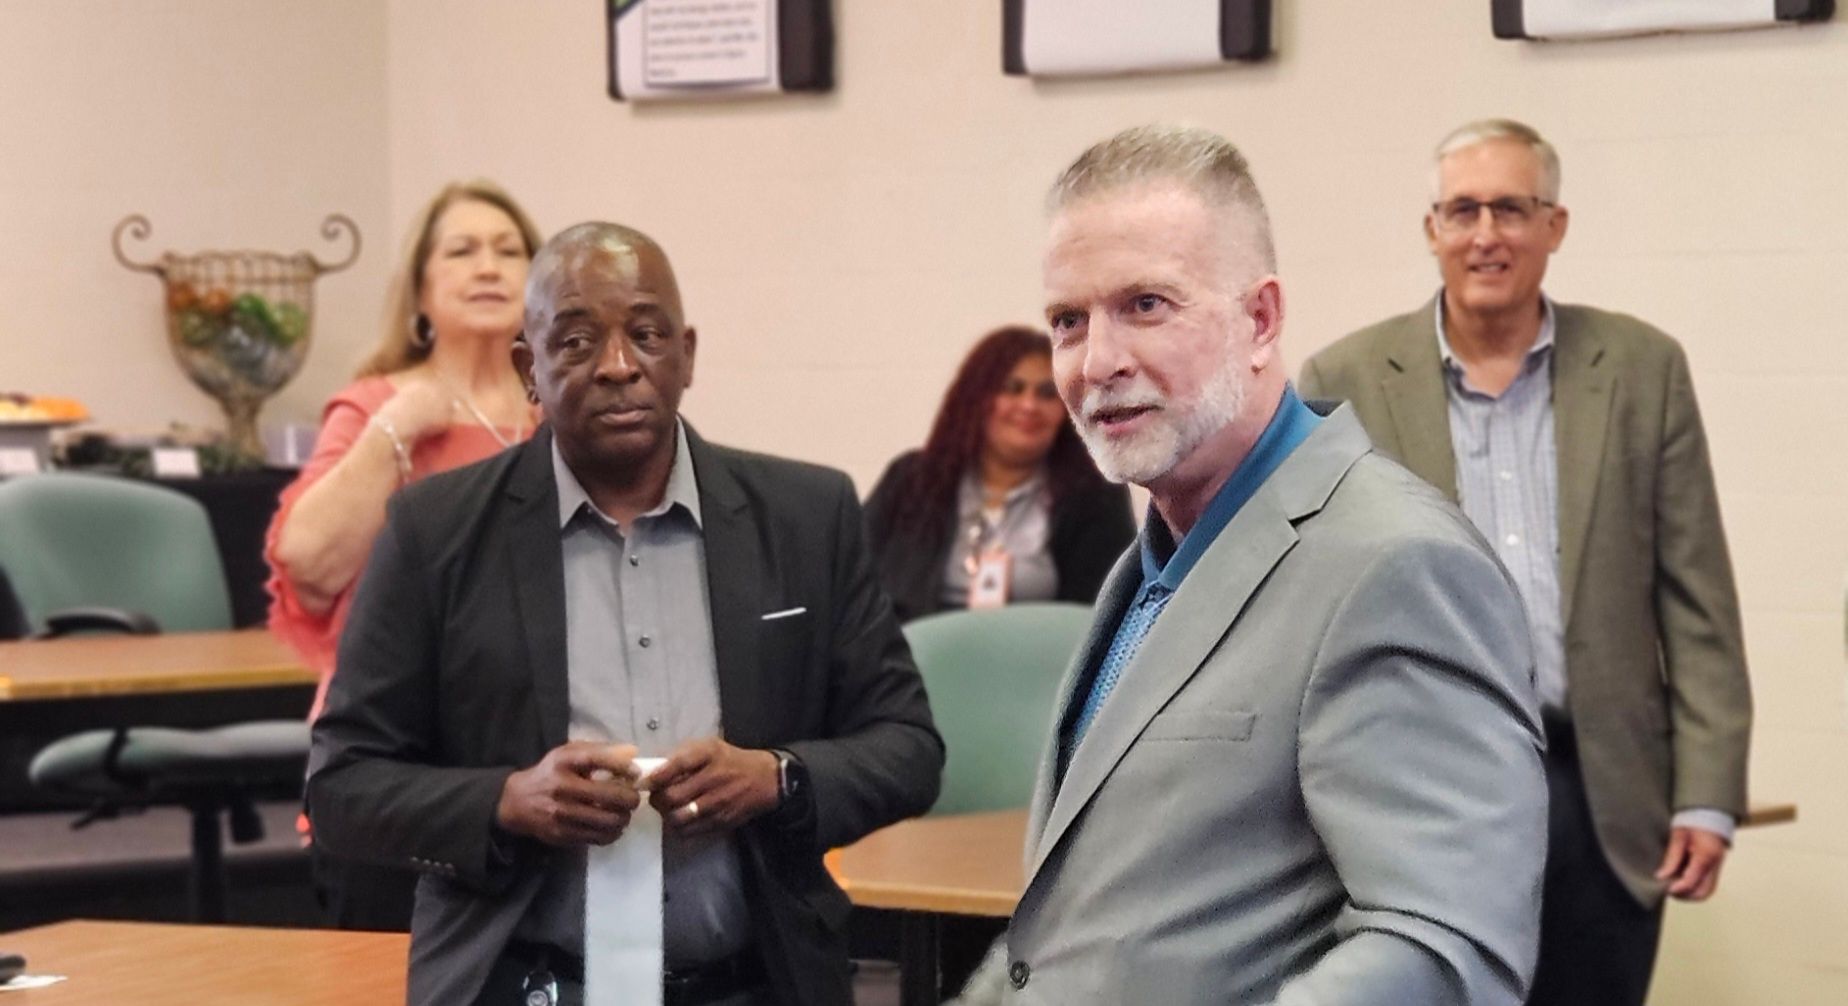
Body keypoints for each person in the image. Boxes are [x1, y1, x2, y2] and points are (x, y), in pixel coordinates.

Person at [305, 221, 942, 1006]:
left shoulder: (807, 516)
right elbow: (341, 786)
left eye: (646, 335)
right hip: (523, 985)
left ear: (687, 355)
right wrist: (507, 801)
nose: (617, 367)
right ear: (528, 369)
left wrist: (776, 778)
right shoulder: (434, 532)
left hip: (758, 983)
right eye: (575, 342)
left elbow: (908, 747)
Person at [994, 124, 1546, 1004]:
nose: (1098, 362)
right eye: (1069, 321)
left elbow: (1443, 948)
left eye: (1146, 305)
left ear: (1260, 320)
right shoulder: (1147, 568)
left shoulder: (1397, 565)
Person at [1299, 118, 1752, 1006]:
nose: (1486, 235)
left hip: (1602, 792)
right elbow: (1312, 604)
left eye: (1512, 208)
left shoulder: (1641, 368)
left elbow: (1697, 601)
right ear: (1431, 229)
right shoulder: (1346, 378)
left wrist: (1708, 793)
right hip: (1424, 790)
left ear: (1556, 225)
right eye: (1462, 210)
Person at [265, 180, 543, 931]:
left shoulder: (568, 416)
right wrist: (395, 431)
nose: (488, 267)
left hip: (543, 764)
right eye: (462, 251)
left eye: (509, 251)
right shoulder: (377, 405)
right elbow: (311, 566)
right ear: (420, 292)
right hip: (398, 767)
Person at [863, 325, 1134, 622]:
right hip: (912, 662)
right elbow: (857, 586)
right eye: (1012, 388)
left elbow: (1106, 618)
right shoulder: (910, 480)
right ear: (976, 400)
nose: (1028, 406)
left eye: (1046, 393)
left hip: (1040, 664)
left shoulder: (1096, 497)